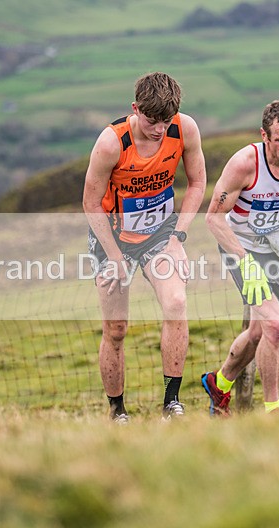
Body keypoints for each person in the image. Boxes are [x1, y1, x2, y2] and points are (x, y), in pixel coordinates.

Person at [82, 72, 207, 423]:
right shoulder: (111, 143)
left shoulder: (185, 130)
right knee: (116, 329)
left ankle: (171, 403)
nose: (159, 130)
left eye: (166, 121)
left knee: (177, 303)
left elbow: (198, 182)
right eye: (152, 121)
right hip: (112, 236)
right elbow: (91, 203)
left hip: (160, 232)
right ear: (135, 109)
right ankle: (117, 410)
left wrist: (177, 238)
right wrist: (115, 257)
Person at [202, 100, 279, 416]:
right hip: (239, 247)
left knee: (259, 332)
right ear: (264, 135)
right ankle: (274, 411)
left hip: (278, 251)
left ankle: (220, 383)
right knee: (275, 325)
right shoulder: (245, 164)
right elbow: (213, 218)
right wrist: (245, 263)